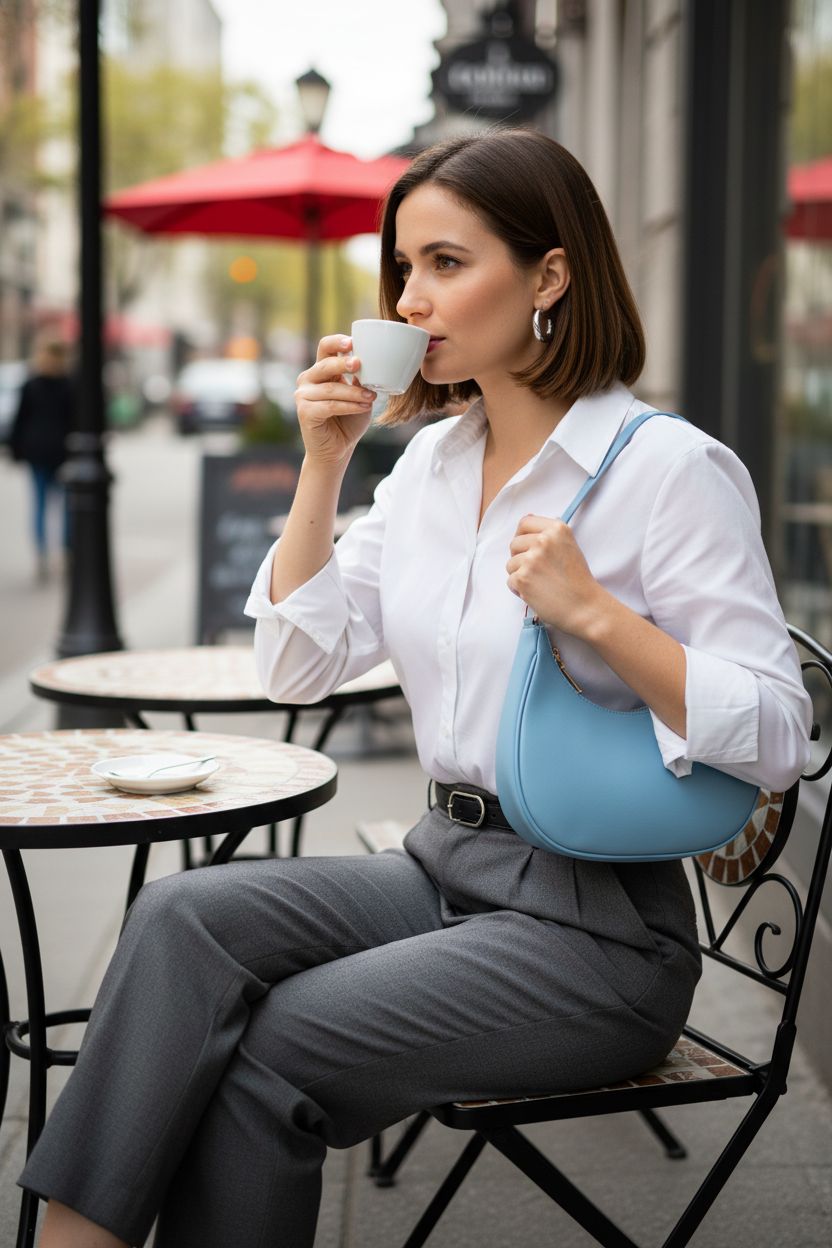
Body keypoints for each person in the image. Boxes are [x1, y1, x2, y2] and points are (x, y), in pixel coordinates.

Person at [21, 130, 811, 1248]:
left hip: (596, 934)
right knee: (179, 916)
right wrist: (324, 461)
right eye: (402, 268)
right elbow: (298, 668)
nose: (408, 300)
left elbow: (779, 732)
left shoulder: (667, 471)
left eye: (446, 262)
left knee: (273, 1047)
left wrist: (598, 616)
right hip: (442, 869)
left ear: (548, 277)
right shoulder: (434, 465)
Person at [9, 337, 75, 580]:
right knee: (66, 506)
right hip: (62, 450)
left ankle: (42, 553)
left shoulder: (32, 384)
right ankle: (65, 552)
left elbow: (20, 420)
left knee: (40, 504)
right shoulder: (69, 384)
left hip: (37, 450)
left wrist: (16, 450)